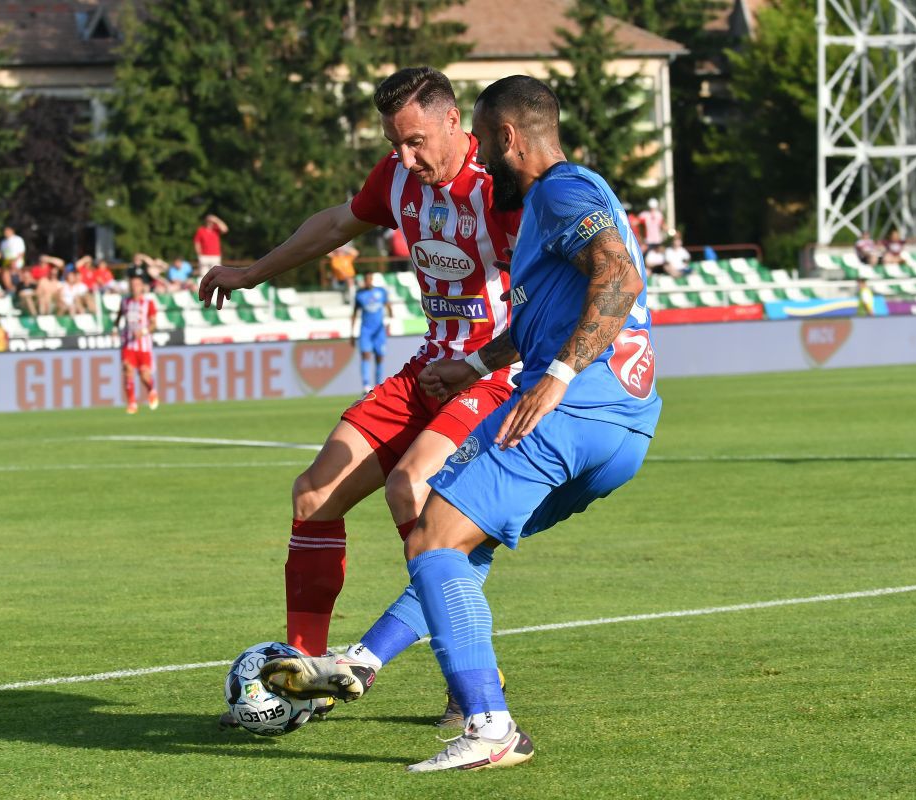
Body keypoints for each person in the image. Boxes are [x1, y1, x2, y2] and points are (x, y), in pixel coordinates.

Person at [257, 75, 661, 773]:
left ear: (505, 139)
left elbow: (619, 277)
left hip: (578, 408)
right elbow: (542, 319)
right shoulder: (547, 205)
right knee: (456, 548)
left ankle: (489, 721)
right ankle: (360, 661)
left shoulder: (560, 189)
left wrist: (559, 377)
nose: (474, 160)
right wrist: (483, 365)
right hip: (623, 429)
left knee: (432, 527)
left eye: (480, 141)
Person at [198, 67, 521, 720]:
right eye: (395, 143)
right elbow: (335, 225)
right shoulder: (396, 177)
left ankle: (473, 682)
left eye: (416, 141)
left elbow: (557, 281)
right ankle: (304, 679)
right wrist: (253, 272)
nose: (405, 157)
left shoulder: (502, 190)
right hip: (428, 368)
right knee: (314, 493)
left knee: (424, 505)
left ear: (455, 122)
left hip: (491, 378)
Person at [114, 271, 159, 414]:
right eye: (132, 284)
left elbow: (153, 324)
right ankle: (132, 403)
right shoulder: (124, 301)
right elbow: (119, 316)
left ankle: (151, 389)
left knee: (144, 374)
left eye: (137, 284)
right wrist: (115, 329)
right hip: (128, 344)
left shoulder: (148, 303)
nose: (134, 287)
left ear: (142, 287)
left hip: (144, 345)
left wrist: (143, 332)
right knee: (128, 370)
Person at [352, 272, 393, 393]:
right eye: (366, 279)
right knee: (365, 355)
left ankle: (378, 384)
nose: (368, 281)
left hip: (379, 330)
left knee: (379, 357)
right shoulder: (360, 294)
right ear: (364, 280)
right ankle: (366, 385)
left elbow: (388, 306)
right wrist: (351, 332)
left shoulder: (381, 292)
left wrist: (391, 321)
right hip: (366, 330)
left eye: (370, 279)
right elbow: (355, 313)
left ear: (373, 279)